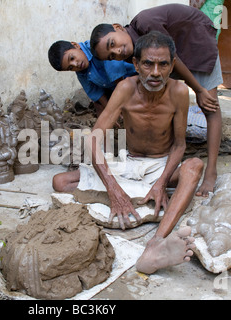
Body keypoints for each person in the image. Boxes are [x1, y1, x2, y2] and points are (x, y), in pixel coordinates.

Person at [52, 32, 202, 274]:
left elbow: (179, 146)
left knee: (194, 166)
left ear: (172, 65)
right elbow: (94, 139)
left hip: (160, 166)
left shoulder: (180, 92)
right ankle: (136, 195)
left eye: (163, 64)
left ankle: (155, 244)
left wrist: (162, 182)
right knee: (60, 181)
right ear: (135, 64)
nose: (155, 72)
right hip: (128, 162)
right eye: (147, 64)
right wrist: (114, 189)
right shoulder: (124, 88)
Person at [89, 3, 223, 197]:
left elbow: (173, 57)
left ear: (117, 27)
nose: (117, 52)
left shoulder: (145, 22)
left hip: (197, 39)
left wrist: (199, 89)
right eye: (111, 56)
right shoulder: (133, 55)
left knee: (209, 104)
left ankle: (211, 172)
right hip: (171, 57)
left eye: (112, 44)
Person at [48, 40, 137, 116]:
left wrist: (120, 103)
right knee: (99, 106)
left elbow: (116, 74)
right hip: (116, 88)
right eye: (71, 68)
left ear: (76, 45)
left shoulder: (96, 47)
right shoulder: (81, 72)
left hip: (133, 76)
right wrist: (109, 112)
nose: (76, 64)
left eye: (72, 58)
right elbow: (96, 93)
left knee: (133, 104)